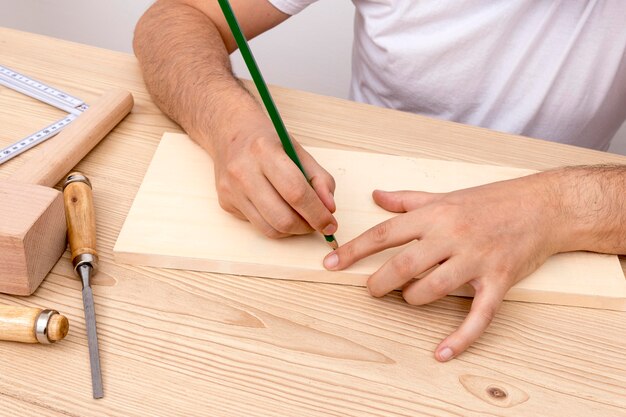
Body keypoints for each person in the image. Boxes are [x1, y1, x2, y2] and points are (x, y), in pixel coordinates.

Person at [133, 0, 626, 362]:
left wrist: (550, 207)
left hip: (569, 270)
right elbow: (176, 17)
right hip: (366, 241)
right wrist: (229, 126)